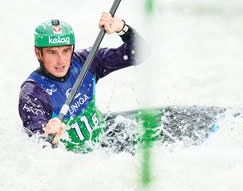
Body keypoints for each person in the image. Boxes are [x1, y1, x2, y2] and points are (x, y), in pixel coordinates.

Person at [18, 12, 149, 152]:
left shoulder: (85, 62)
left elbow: (140, 53)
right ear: (38, 54)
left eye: (66, 51)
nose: (61, 60)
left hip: (105, 139)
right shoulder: (33, 93)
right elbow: (38, 150)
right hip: (78, 161)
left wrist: (122, 28)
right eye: (52, 52)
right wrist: (48, 139)